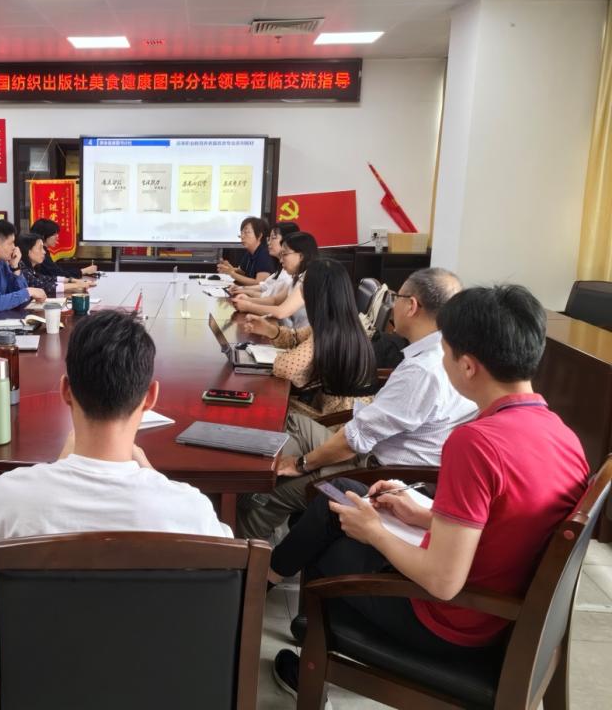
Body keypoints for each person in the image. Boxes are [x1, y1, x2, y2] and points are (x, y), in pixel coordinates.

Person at [268, 284, 590, 697]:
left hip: (450, 622)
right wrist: (421, 515)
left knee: (328, 538)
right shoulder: (562, 435)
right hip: (497, 609)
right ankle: (266, 583)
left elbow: (442, 582)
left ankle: (309, 661)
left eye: (446, 352)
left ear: (468, 366)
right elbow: (508, 521)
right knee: (342, 493)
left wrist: (375, 533)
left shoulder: (477, 443)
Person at [0, 310, 232, 564]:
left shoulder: (6, 496)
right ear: (151, 397)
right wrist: (153, 475)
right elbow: (227, 562)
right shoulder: (190, 511)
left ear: (65, 390)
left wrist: (58, 465)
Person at [238, 268, 476, 543]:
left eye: (396, 297)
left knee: (267, 493)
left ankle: (250, 554)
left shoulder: (424, 370)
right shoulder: (447, 355)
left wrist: (301, 464)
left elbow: (353, 440)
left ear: (411, 306)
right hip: (373, 448)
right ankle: (258, 483)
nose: (393, 305)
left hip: (376, 472)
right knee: (290, 424)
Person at [242, 258, 376, 416]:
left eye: (303, 282)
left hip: (338, 421)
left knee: (263, 405)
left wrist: (286, 353)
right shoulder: (340, 321)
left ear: (315, 292)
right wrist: (269, 330)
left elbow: (285, 368)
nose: (300, 286)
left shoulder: (330, 330)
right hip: (333, 410)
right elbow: (296, 337)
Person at [233, 231, 318, 327]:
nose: (281, 260)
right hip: (291, 331)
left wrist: (248, 306)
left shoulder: (308, 279)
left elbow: (281, 312)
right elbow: (275, 300)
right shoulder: (297, 277)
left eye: (284, 254)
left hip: (301, 334)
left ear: (301, 256)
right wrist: (248, 300)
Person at [0, 218, 47, 318]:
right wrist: (29, 292)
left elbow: (21, 299)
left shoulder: (2, 261)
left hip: (6, 316)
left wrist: (15, 267)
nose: (14, 247)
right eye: (11, 243)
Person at [229, 220, 299, 302]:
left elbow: (273, 301)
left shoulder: (289, 276)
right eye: (241, 233)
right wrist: (241, 288)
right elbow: (265, 286)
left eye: (273, 238)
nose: (269, 243)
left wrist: (247, 299)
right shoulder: (281, 269)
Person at [15, 232, 94, 298]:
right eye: (40, 248)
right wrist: (76, 285)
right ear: (28, 251)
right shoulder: (20, 268)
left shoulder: (30, 268)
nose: (44, 252)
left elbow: (46, 279)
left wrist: (73, 281)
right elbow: (42, 286)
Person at [30, 217, 99, 277]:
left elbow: (58, 272)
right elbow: (58, 274)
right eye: (54, 234)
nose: (57, 237)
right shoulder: (39, 253)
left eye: (57, 234)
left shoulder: (44, 251)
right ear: (43, 235)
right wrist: (84, 271)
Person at [217, 216, 275, 285]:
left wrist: (232, 273)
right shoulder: (250, 251)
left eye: (246, 232)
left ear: (259, 235)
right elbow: (243, 273)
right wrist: (230, 269)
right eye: (241, 233)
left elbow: (260, 283)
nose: (242, 237)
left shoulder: (265, 254)